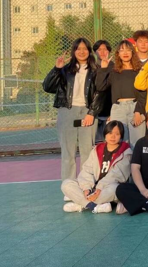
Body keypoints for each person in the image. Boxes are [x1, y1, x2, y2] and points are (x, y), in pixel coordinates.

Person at [43, 38, 102, 188]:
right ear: (74, 51)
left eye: (85, 49)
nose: (82, 52)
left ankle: (86, 185)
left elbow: (100, 93)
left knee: (87, 151)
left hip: (87, 112)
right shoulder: (65, 70)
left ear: (89, 51)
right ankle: (69, 186)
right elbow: (47, 87)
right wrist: (56, 69)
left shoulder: (96, 70)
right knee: (68, 152)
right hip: (67, 111)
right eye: (78, 49)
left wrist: (91, 113)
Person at [61, 121, 132, 213]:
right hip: (93, 188)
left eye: (117, 134)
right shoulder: (97, 150)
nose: (113, 137)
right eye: (110, 133)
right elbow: (87, 170)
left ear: (121, 136)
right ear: (105, 134)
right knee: (66, 184)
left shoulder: (126, 152)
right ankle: (93, 205)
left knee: (116, 189)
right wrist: (86, 188)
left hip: (107, 187)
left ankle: (82, 204)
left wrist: (99, 188)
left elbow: (116, 175)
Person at [95, 40, 147, 148]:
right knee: (119, 143)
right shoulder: (114, 71)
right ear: (118, 53)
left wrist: (138, 111)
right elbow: (100, 87)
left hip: (135, 107)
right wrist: (103, 69)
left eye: (128, 50)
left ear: (132, 52)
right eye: (122, 50)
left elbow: (144, 93)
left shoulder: (139, 70)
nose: (125, 53)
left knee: (137, 143)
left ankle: (136, 160)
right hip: (118, 109)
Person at [92, 40, 113, 144]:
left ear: (109, 51)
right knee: (96, 144)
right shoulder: (91, 68)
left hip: (110, 112)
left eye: (105, 49)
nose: (102, 52)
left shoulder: (115, 67)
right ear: (95, 52)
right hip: (94, 112)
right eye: (99, 49)